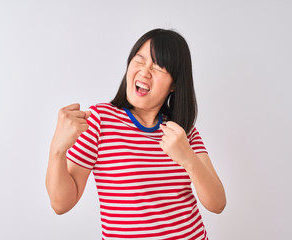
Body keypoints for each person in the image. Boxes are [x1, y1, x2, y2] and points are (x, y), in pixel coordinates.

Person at [46, 28, 226, 240]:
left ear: (174, 84)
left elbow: (217, 204)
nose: (144, 71)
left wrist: (188, 159)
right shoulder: (100, 120)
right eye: (139, 61)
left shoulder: (182, 131)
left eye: (158, 67)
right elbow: (61, 204)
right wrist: (57, 149)